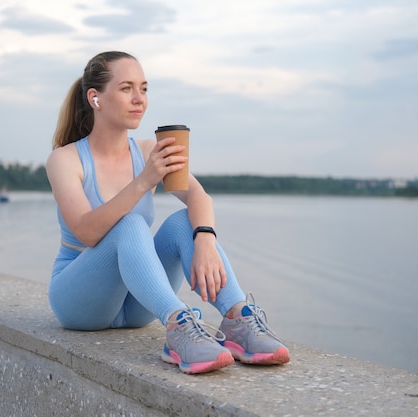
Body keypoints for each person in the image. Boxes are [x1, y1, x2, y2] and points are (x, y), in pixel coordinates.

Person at [46, 51, 289, 374]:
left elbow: (199, 196)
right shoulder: (65, 160)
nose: (139, 99)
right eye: (126, 88)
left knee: (183, 222)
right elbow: (87, 232)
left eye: (144, 89)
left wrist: (203, 240)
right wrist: (144, 180)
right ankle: (179, 326)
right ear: (95, 98)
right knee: (130, 224)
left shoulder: (149, 150)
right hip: (79, 300)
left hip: (137, 306)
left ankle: (236, 319)